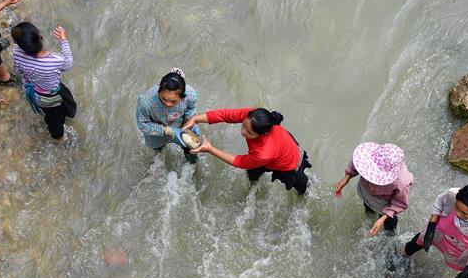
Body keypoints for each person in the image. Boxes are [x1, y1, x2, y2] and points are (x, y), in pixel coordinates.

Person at [185, 107, 313, 194]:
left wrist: (210, 149)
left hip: (291, 165)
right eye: (243, 125)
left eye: (249, 132)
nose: (242, 131)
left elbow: (240, 162)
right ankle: (253, 191)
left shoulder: (264, 153)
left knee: (302, 192)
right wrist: (196, 119)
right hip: (276, 149)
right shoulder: (252, 116)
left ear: (262, 134)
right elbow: (225, 115)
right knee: (251, 176)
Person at [404, 183, 468, 278]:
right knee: (415, 243)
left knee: (462, 273)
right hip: (439, 233)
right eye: (456, 207)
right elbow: (439, 202)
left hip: (459, 249)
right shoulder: (451, 194)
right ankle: (403, 257)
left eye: (464, 213)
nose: (457, 213)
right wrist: (431, 227)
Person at [10, 22, 77, 140]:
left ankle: (55, 117)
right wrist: (63, 40)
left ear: (19, 45)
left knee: (50, 112)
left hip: (34, 93)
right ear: (41, 36)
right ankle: (59, 138)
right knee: (55, 121)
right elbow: (68, 63)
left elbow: (18, 71)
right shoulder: (55, 60)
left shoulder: (17, 54)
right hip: (52, 97)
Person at [334, 142, 413, 236]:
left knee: (389, 227)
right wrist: (347, 177)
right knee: (368, 210)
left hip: (383, 204)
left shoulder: (401, 182)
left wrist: (382, 219)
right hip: (366, 195)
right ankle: (369, 218)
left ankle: (389, 235)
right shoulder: (368, 156)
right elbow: (357, 161)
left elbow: (400, 203)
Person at [135, 68, 199, 160]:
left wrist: (191, 121)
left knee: (191, 151)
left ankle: (191, 164)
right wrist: (168, 131)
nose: (168, 104)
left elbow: (191, 108)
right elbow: (143, 124)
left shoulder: (190, 95)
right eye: (164, 99)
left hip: (180, 127)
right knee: (158, 153)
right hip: (155, 134)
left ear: (182, 97)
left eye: (173, 101)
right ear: (158, 91)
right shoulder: (145, 101)